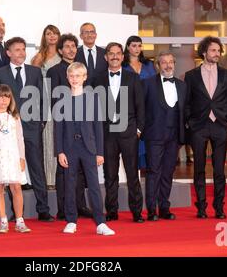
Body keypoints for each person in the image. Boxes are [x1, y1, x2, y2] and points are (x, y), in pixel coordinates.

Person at [0, 37, 54, 222]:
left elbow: (43, 98)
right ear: (8, 53)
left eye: (23, 49)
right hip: (9, 130)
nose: (21, 53)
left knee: (37, 169)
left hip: (33, 128)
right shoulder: (0, 73)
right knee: (13, 171)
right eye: (17, 49)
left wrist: (41, 122)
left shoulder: (35, 72)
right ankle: (16, 213)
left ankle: (43, 209)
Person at [55, 62, 115, 235]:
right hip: (69, 149)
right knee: (70, 185)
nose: (74, 79)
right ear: (67, 78)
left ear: (84, 77)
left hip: (89, 148)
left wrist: (100, 152)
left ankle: (100, 223)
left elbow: (98, 127)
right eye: (71, 76)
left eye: (78, 76)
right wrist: (60, 151)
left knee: (94, 185)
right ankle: (71, 221)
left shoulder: (93, 98)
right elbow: (58, 128)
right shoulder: (61, 100)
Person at [185, 36, 227, 219]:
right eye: (213, 50)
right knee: (198, 168)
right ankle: (201, 207)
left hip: (220, 125)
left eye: (218, 50)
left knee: (219, 170)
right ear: (204, 52)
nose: (217, 54)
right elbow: (187, 102)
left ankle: (219, 207)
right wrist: (190, 122)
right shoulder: (191, 76)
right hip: (198, 126)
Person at [94, 42, 145, 223]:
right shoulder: (97, 78)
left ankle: (137, 212)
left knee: (132, 174)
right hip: (107, 134)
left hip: (129, 133)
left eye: (118, 53)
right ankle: (112, 211)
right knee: (110, 175)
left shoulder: (133, 78)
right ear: (106, 57)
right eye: (111, 53)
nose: (115, 56)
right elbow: (94, 109)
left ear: (123, 57)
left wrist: (138, 130)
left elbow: (141, 106)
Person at [46, 33, 92, 220]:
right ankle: (64, 208)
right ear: (60, 50)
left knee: (80, 169)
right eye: (67, 46)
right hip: (64, 124)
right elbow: (54, 100)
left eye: (74, 46)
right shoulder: (54, 71)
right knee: (64, 169)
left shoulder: (82, 69)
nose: (71, 49)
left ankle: (80, 205)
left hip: (83, 123)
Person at [143, 51, 186, 221]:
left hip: (174, 136)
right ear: (158, 66)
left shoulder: (182, 86)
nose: (168, 65)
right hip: (154, 135)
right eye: (164, 62)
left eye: (171, 62)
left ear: (174, 64)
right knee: (154, 172)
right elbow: (142, 110)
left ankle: (164, 208)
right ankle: (152, 209)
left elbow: (185, 111)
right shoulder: (147, 84)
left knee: (168, 172)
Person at [0, 84, 31, 233]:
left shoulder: (14, 117)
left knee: (16, 187)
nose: (4, 100)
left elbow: (20, 139)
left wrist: (22, 158)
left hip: (13, 156)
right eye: (1, 96)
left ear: (11, 99)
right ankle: (3, 221)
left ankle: (19, 221)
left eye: (7, 97)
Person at [31, 25, 62, 189]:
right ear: (44, 36)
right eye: (48, 33)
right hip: (44, 101)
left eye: (55, 33)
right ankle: (49, 180)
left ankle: (60, 178)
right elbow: (33, 82)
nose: (52, 36)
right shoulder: (38, 57)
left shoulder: (64, 54)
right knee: (48, 140)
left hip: (62, 100)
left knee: (61, 139)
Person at [122, 35, 157, 174]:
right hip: (129, 109)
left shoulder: (148, 64)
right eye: (134, 45)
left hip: (148, 108)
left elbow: (155, 85)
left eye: (139, 45)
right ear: (128, 47)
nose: (137, 48)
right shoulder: (122, 65)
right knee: (132, 144)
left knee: (147, 143)